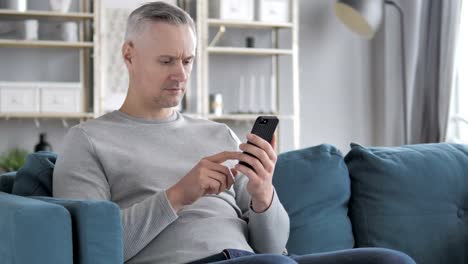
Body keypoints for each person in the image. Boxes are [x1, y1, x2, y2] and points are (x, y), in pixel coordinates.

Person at [52, 2, 415, 264]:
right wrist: (178, 195)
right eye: (166, 61)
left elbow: (273, 248)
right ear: (129, 55)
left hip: (259, 260)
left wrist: (262, 195)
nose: (180, 74)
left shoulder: (218, 134)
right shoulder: (87, 141)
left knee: (390, 260)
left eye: (188, 60)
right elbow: (93, 250)